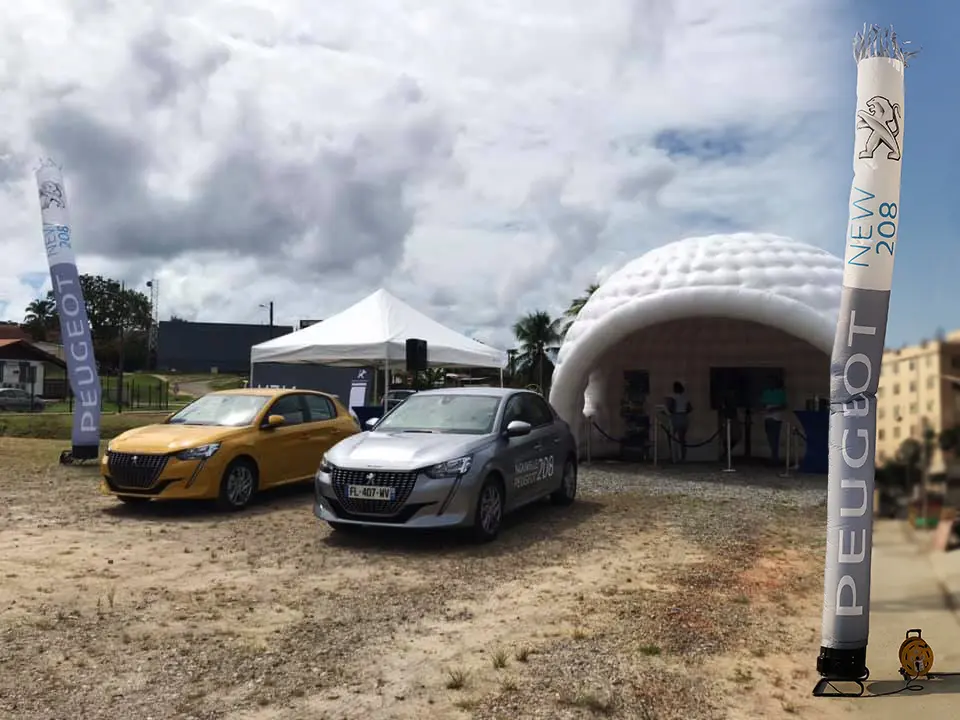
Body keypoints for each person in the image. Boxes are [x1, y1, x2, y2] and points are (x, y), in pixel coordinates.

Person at [760, 376, 788, 465]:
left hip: (776, 416)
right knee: (769, 436)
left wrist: (774, 409)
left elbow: (784, 405)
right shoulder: (766, 392)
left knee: (775, 436)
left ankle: (775, 456)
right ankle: (773, 455)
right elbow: (762, 404)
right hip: (767, 416)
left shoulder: (780, 393)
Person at [668, 381, 693, 462]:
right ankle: (683, 457)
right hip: (684, 416)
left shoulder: (673, 397)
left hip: (676, 416)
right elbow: (690, 408)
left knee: (672, 437)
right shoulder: (686, 397)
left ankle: (673, 456)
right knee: (682, 438)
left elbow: (671, 408)